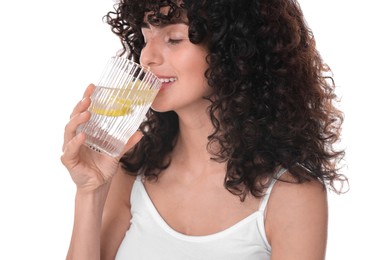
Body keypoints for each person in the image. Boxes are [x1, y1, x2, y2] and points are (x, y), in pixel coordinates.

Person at [61, 0, 347, 259]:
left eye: (174, 39)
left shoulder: (291, 195)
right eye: (146, 37)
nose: (147, 56)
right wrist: (91, 191)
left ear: (233, 51)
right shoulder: (130, 170)